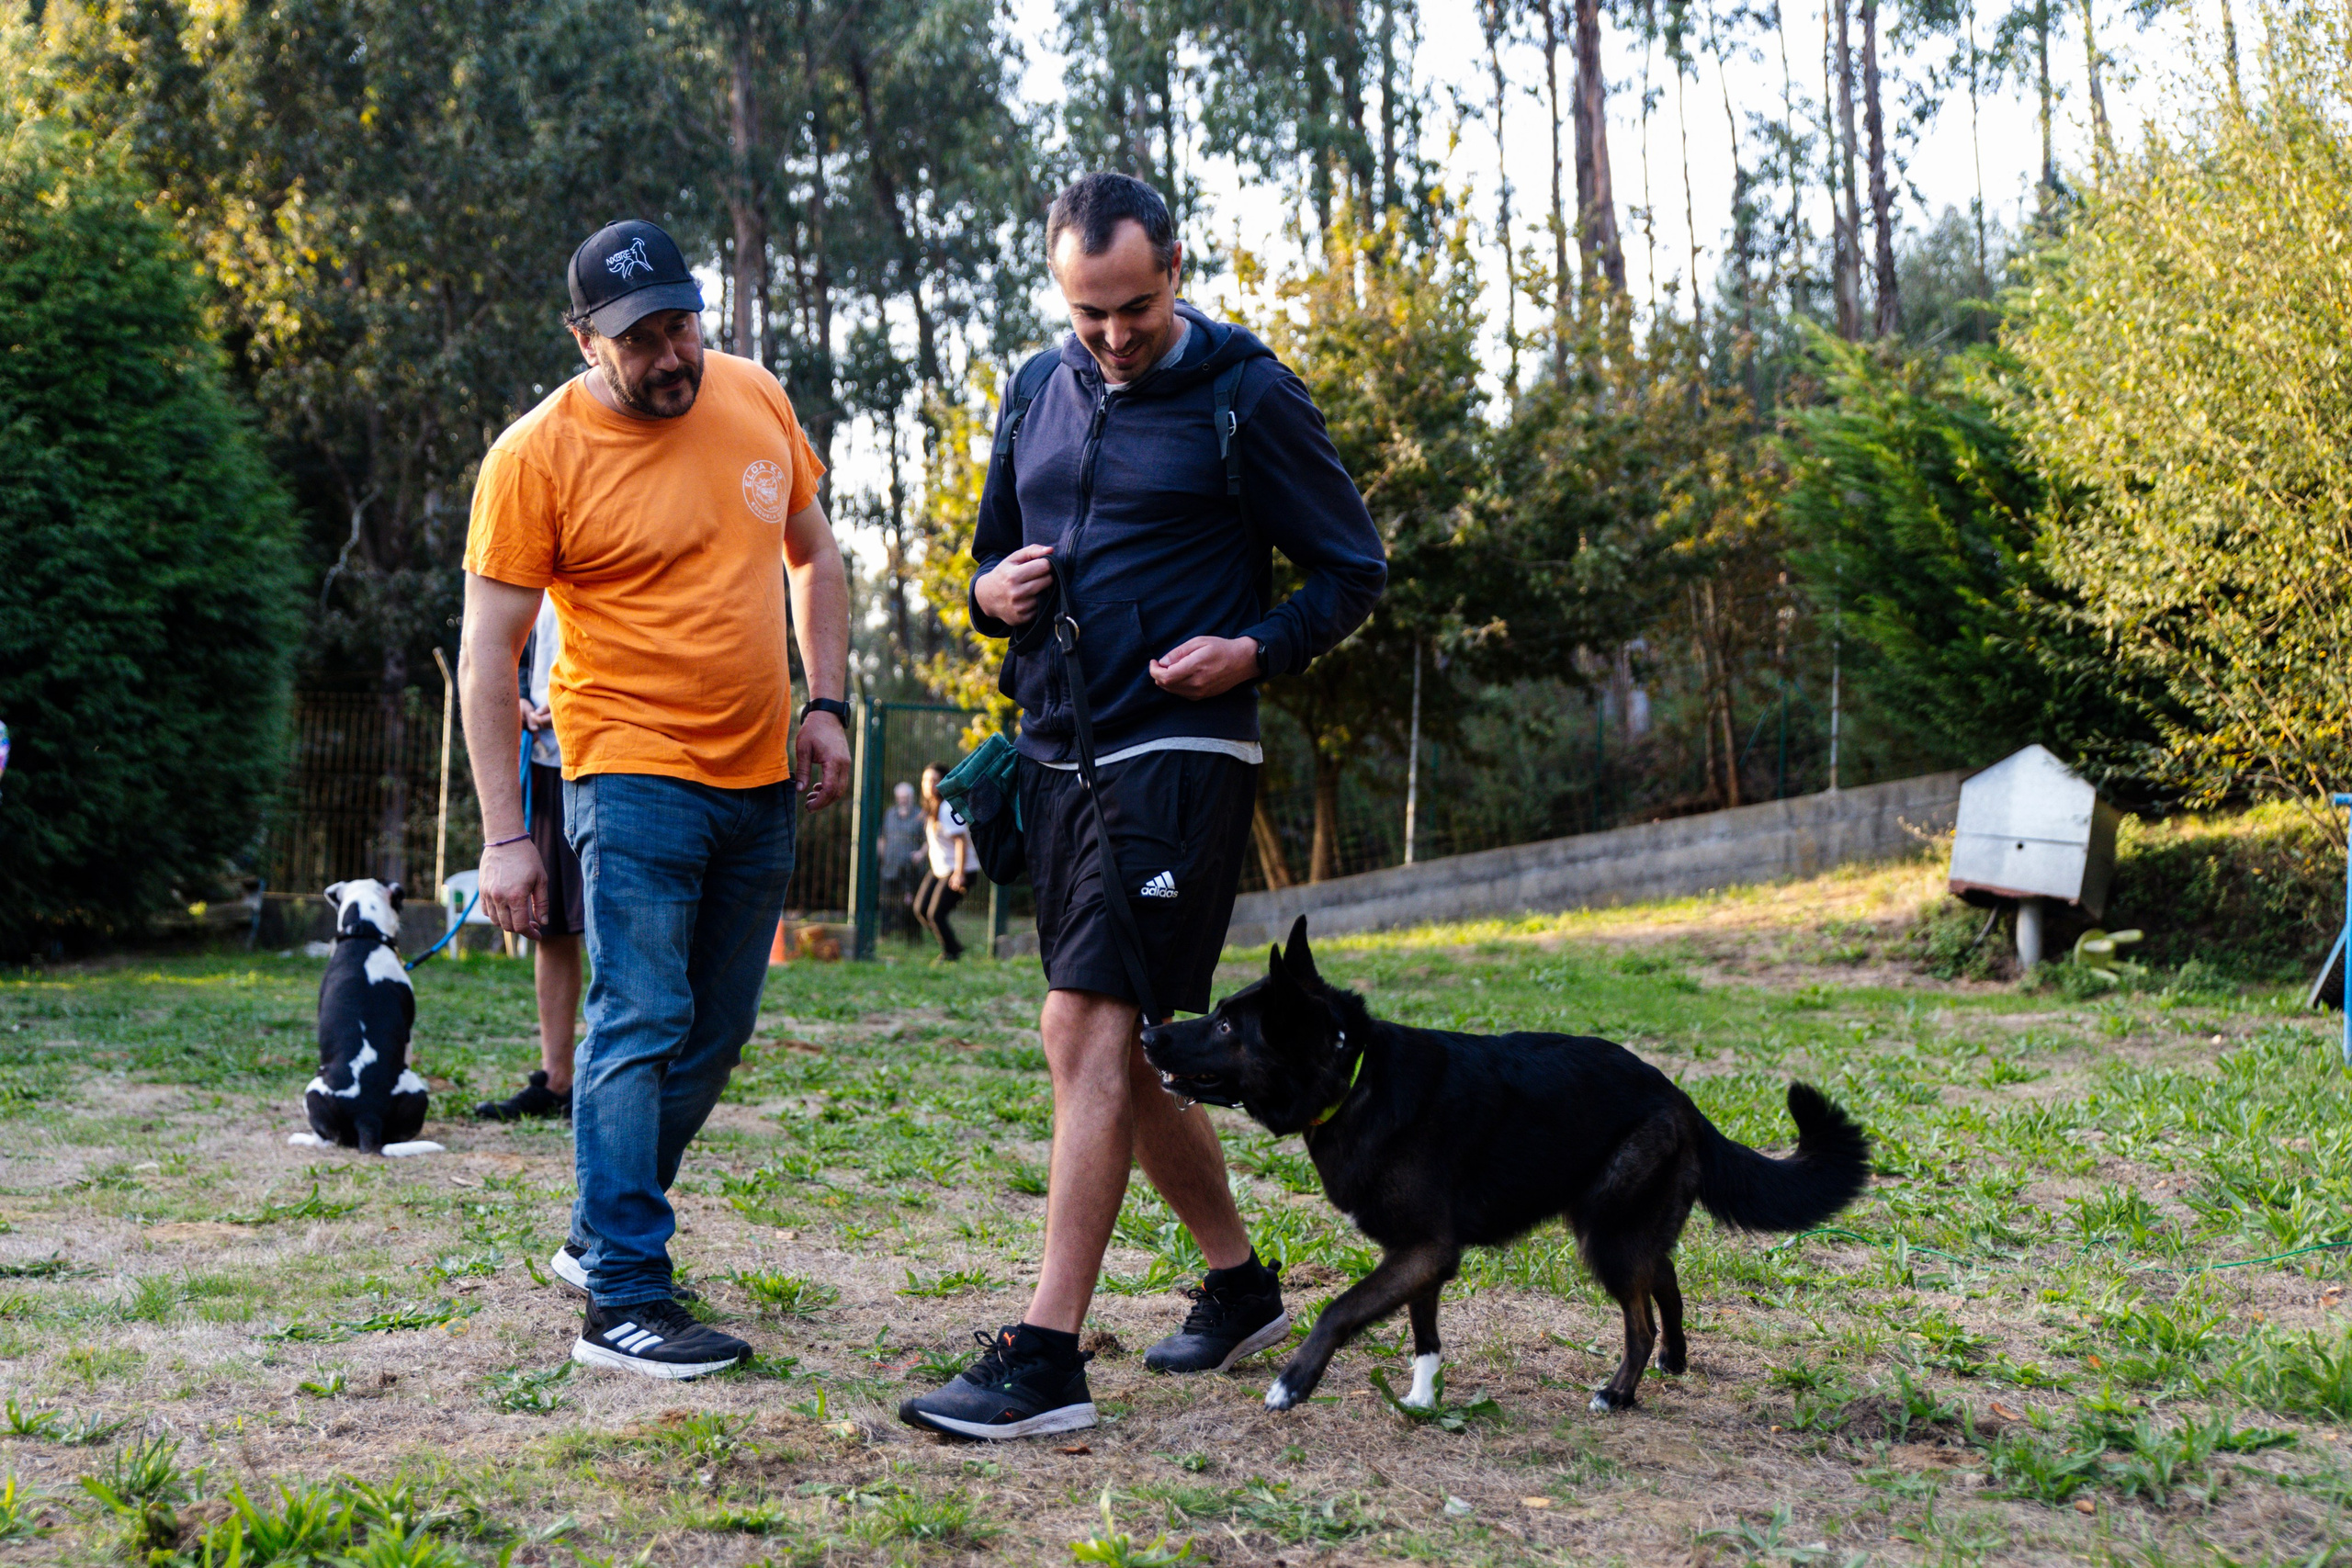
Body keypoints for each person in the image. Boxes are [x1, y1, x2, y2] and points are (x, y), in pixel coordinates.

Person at [898, 174, 1385, 1440]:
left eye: (1135, 306)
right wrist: (985, 596)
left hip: (1182, 746)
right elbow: (995, 565)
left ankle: (1048, 1351)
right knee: (1112, 1040)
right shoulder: (1033, 388)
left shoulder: (1248, 395)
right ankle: (1238, 1284)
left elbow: (1352, 569)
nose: (1111, 336)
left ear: (1176, 264)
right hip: (1062, 748)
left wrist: (1255, 650)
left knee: (1086, 1021)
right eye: (1086, 313)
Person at [458, 218, 854, 1380]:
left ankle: (600, 1226)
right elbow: (489, 657)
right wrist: (505, 839)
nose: (673, 354)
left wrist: (823, 701)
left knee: (716, 1027)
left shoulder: (755, 397)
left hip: (756, 769)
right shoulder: (533, 456)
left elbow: (813, 556)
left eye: (682, 323)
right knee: (636, 1013)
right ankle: (624, 1294)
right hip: (626, 765)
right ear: (586, 340)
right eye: (641, 339)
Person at [473, 596, 582, 1122]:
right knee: (554, 926)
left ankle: (635, 1088)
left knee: (628, 929)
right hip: (547, 764)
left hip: (624, 764)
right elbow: (501, 647)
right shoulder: (530, 571)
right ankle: (559, 1084)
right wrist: (515, 700)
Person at [911, 764, 970, 961]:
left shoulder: (947, 808)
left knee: (935, 914)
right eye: (926, 780)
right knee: (921, 909)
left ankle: (951, 953)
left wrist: (959, 873)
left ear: (944, 782)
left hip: (957, 869)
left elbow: (961, 841)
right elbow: (937, 840)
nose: (929, 785)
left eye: (934, 780)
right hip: (940, 870)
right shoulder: (933, 808)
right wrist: (922, 853)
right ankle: (953, 946)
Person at [877, 781, 926, 941]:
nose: (903, 800)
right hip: (890, 867)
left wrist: (920, 854)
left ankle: (912, 938)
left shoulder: (920, 815)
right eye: (900, 797)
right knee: (886, 903)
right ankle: (885, 935)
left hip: (911, 870)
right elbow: (882, 837)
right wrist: (882, 855)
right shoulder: (890, 814)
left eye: (906, 797)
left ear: (912, 797)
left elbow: (929, 841)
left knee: (909, 904)